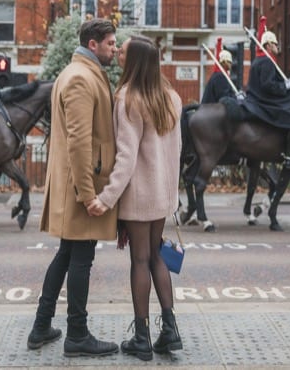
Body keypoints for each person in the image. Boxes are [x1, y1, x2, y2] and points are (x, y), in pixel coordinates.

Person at [26, 19, 120, 357]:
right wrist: (87, 194)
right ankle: (77, 334)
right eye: (110, 43)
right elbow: (80, 142)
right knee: (81, 257)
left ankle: (40, 327)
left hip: (77, 182)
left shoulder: (77, 72)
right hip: (82, 184)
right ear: (92, 44)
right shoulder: (81, 78)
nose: (115, 48)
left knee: (67, 254)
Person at [88, 35, 183, 361]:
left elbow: (125, 158)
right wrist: (174, 196)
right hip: (162, 196)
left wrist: (107, 197)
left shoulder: (128, 98)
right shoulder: (171, 98)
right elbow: (176, 152)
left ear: (136, 61)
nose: (118, 55)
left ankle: (141, 338)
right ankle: (170, 330)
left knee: (140, 260)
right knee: (157, 257)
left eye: (124, 52)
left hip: (139, 195)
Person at [238, 30, 290, 169]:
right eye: (275, 43)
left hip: (258, 99)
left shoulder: (259, 60)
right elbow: (268, 86)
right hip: (265, 101)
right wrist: (286, 86)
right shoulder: (267, 62)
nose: (277, 46)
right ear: (268, 45)